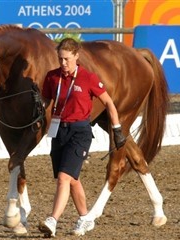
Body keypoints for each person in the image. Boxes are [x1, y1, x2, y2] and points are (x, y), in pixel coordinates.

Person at [38, 38, 126, 238]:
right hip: (59, 131)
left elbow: (109, 104)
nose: (63, 64)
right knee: (72, 178)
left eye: (67, 59)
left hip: (80, 132)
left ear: (76, 57)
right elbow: (46, 100)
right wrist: (38, 110)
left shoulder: (89, 78)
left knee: (63, 178)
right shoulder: (52, 77)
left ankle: (52, 220)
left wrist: (117, 129)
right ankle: (85, 218)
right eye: (60, 59)